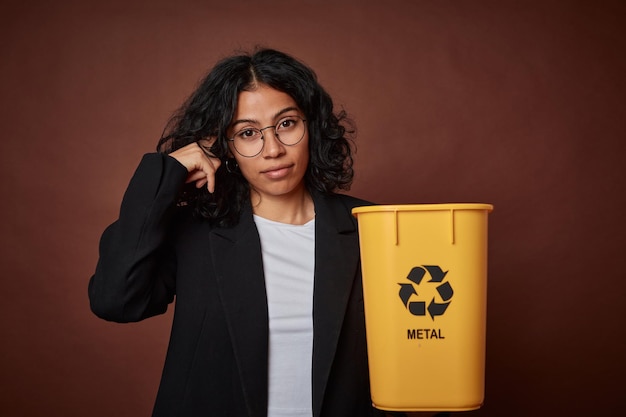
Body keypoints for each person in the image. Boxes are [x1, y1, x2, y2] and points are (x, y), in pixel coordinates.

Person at [88, 48, 382, 417]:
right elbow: (115, 300)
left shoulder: (372, 225)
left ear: (313, 126)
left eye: (287, 124)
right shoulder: (194, 234)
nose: (273, 149)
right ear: (225, 147)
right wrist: (164, 177)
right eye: (247, 133)